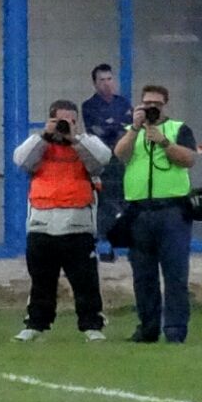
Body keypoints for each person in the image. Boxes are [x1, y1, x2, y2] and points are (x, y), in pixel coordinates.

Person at [12, 99, 111, 341]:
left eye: (71, 121)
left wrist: (76, 139)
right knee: (41, 280)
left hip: (77, 224)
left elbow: (101, 161)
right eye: (60, 121)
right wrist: (45, 135)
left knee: (85, 280)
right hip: (41, 223)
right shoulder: (40, 144)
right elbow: (21, 160)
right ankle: (35, 324)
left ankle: (91, 325)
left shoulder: (87, 143)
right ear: (50, 119)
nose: (65, 125)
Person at [113, 83, 199, 343]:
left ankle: (175, 330)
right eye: (147, 103)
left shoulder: (178, 129)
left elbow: (188, 159)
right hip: (139, 212)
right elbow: (120, 155)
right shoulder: (132, 131)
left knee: (175, 274)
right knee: (143, 274)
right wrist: (136, 128)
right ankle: (147, 327)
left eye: (157, 104)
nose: (152, 108)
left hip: (172, 210)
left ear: (165, 106)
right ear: (140, 104)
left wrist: (163, 142)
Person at [82, 63, 133, 260]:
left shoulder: (123, 103)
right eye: (101, 80)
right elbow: (97, 131)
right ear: (95, 84)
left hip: (123, 161)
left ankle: (127, 243)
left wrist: (113, 127)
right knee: (104, 203)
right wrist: (116, 127)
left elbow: (126, 129)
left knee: (126, 202)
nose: (106, 84)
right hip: (102, 161)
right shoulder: (89, 105)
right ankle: (105, 244)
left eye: (109, 79)